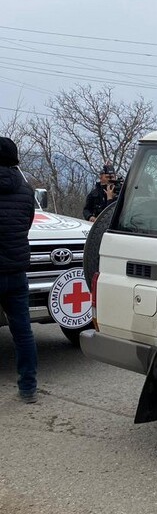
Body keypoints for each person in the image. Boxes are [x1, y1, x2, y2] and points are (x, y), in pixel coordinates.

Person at [0, 137, 38, 403]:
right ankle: (28, 388)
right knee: (23, 332)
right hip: (15, 272)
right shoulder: (27, 191)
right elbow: (25, 225)